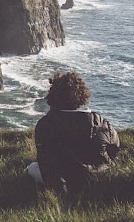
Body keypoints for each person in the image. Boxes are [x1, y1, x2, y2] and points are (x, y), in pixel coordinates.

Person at [27, 70, 120, 198]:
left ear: (54, 95)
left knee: (32, 168)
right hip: (98, 176)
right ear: (82, 95)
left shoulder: (46, 124)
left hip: (67, 179)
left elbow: (47, 162)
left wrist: (62, 193)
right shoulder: (100, 121)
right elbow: (114, 149)